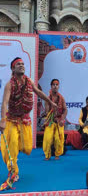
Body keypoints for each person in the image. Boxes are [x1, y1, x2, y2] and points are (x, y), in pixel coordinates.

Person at [0, 57, 57, 190]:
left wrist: (50, 102)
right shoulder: (10, 84)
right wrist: (2, 120)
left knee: (26, 148)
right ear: (13, 69)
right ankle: (13, 171)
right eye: (18, 64)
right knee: (12, 144)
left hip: (24, 120)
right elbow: (4, 103)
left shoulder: (28, 81)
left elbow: (39, 92)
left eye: (23, 64)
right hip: (12, 120)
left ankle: (15, 159)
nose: (21, 66)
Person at [43, 79, 67, 160]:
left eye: (57, 85)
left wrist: (62, 119)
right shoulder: (48, 98)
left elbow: (65, 110)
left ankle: (57, 155)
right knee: (48, 139)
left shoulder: (61, 98)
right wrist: (50, 115)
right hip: (50, 121)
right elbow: (47, 111)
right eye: (53, 84)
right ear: (51, 86)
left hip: (59, 121)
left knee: (58, 139)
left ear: (58, 86)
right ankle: (47, 155)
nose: (55, 86)